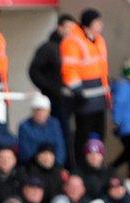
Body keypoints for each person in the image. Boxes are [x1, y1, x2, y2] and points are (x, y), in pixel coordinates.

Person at [61, 9, 109, 169]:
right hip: (84, 99)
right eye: (97, 22)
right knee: (83, 136)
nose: (100, 25)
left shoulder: (99, 40)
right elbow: (69, 69)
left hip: (99, 98)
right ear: (88, 24)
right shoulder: (73, 42)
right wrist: (78, 91)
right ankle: (82, 167)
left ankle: (98, 167)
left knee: (99, 135)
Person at [30, 14, 77, 162]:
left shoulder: (73, 48)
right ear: (59, 27)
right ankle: (62, 165)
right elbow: (34, 72)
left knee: (70, 134)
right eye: (68, 27)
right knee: (60, 134)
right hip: (55, 100)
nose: (71, 31)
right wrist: (52, 89)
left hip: (71, 100)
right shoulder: (49, 48)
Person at [111, 58, 130, 178]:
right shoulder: (124, 86)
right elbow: (119, 104)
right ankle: (113, 167)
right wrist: (117, 121)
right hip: (126, 125)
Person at [18, 93, 66, 167]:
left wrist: (57, 164)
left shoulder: (54, 124)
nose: (40, 113)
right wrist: (42, 159)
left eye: (43, 110)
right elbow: (25, 151)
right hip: (32, 166)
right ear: (32, 111)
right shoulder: (24, 126)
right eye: (37, 110)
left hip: (53, 166)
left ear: (48, 111)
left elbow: (60, 147)